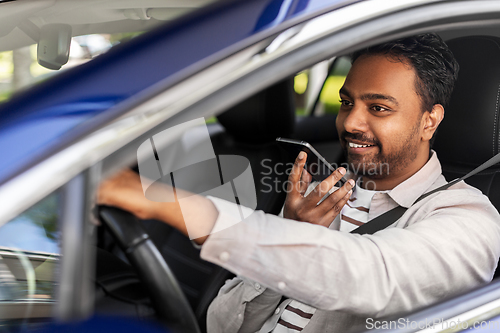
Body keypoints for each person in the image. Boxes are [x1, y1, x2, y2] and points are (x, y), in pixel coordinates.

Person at [98, 33, 500, 333]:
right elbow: (221, 323)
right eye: (347, 103)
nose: (351, 123)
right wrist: (293, 230)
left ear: (429, 120)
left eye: (378, 107)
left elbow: (369, 274)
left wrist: (172, 205)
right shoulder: (325, 195)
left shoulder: (469, 219)